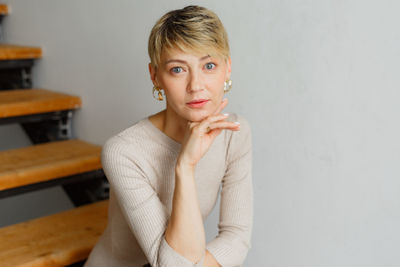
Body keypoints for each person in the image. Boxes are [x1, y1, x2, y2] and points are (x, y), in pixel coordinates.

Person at [84, 5, 253, 267]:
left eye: (209, 65)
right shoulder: (124, 151)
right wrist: (185, 166)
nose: (196, 85)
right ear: (155, 77)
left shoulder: (235, 134)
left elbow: (236, 236)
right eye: (178, 69)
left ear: (227, 68)